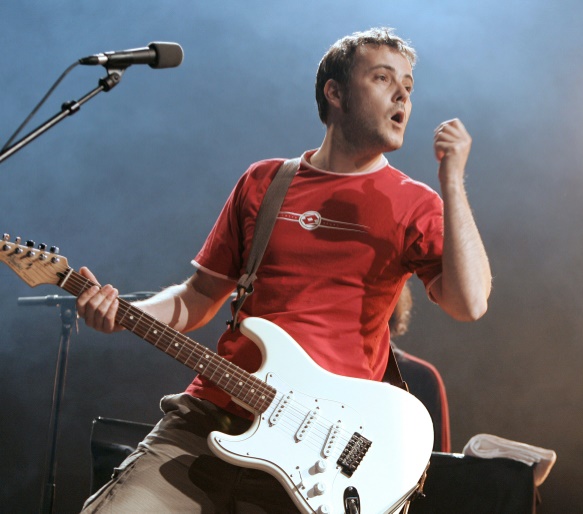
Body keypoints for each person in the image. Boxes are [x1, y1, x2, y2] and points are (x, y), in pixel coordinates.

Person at [76, 27, 492, 513]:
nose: (403, 94)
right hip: (211, 414)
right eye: (383, 78)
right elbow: (198, 296)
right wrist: (125, 310)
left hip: (317, 454)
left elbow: (470, 303)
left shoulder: (414, 203)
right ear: (334, 92)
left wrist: (453, 181)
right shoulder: (265, 182)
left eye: (408, 86)